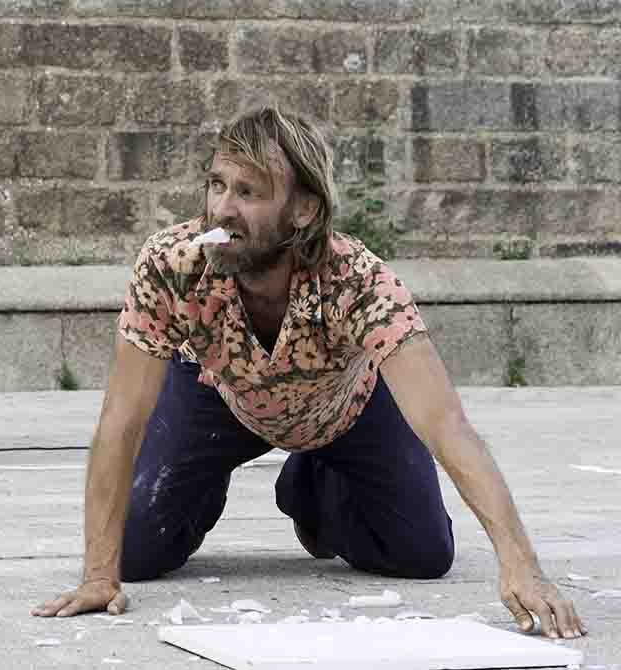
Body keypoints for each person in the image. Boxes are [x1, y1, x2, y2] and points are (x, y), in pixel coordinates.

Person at [31, 106, 585, 639]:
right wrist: (98, 576)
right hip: (217, 396)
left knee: (422, 554)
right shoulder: (170, 263)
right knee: (132, 554)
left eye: (248, 193)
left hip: (343, 409)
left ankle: (310, 484)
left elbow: (445, 424)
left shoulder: (357, 280)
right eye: (217, 185)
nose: (222, 209)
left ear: (303, 210)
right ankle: (201, 480)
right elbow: (122, 418)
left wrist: (521, 565)